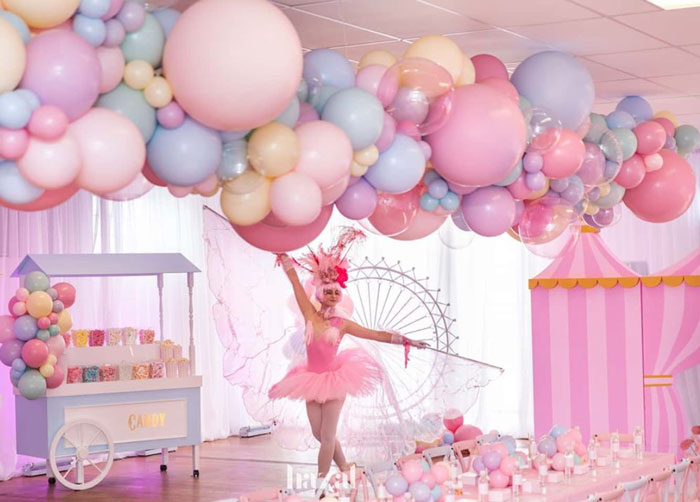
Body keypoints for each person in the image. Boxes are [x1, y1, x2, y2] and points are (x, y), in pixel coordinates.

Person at [268, 231, 428, 483]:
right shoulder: (309, 315)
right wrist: (284, 257)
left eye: (336, 293)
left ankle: (320, 485)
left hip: (335, 381)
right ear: (320, 293)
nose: (333, 296)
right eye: (329, 292)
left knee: (327, 437)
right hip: (310, 380)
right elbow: (296, 284)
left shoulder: (342, 324)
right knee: (319, 434)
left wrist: (406, 340)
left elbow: (375, 334)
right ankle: (344, 466)